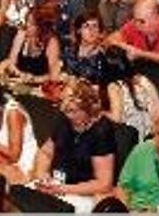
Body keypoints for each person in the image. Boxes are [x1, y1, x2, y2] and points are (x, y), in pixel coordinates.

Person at [33, 79, 116, 213]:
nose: (68, 115)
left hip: (82, 193)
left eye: (72, 111)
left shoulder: (101, 131)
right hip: (56, 185)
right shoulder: (63, 118)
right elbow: (45, 153)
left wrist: (63, 189)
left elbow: (104, 183)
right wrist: (42, 174)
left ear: (88, 108)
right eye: (64, 110)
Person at [0, 5, 61, 82]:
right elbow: (11, 62)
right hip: (18, 80)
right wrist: (19, 74)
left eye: (32, 24)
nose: (27, 26)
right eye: (27, 22)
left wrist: (33, 79)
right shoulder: (21, 34)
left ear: (42, 27)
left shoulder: (51, 42)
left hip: (40, 86)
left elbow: (53, 75)